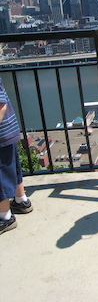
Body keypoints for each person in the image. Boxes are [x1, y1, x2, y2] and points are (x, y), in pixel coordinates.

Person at [0, 78, 33, 235]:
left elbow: (1, 105)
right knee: (11, 168)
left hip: (1, 134)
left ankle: (5, 218)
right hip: (8, 130)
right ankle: (21, 201)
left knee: (1, 176)